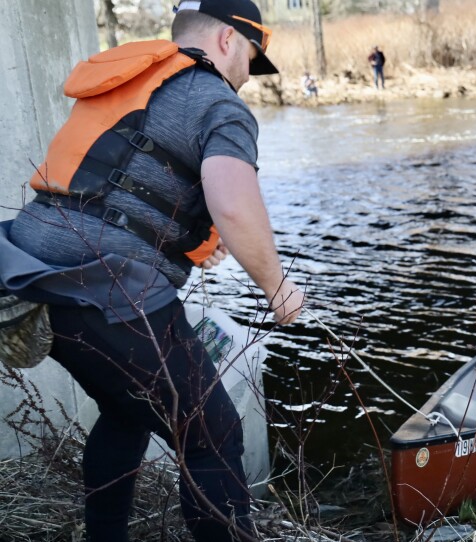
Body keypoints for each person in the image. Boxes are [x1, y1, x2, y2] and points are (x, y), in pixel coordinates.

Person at [0, 0, 304, 540]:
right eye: (251, 61)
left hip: (25, 270)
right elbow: (234, 205)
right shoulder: (219, 103)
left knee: (126, 412)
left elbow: (117, 184)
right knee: (212, 434)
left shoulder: (133, 80)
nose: (246, 79)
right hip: (104, 288)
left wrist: (177, 239)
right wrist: (278, 287)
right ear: (229, 41)